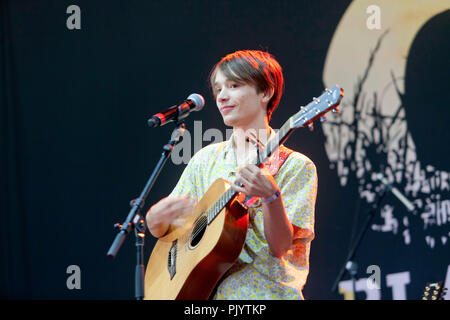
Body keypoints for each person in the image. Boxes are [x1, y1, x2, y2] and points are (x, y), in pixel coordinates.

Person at [146, 50, 318, 299]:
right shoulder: (205, 160)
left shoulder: (295, 166)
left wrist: (271, 198)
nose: (222, 97)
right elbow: (169, 230)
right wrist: (155, 220)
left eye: (234, 85)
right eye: (218, 89)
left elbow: (280, 247)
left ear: (265, 92)